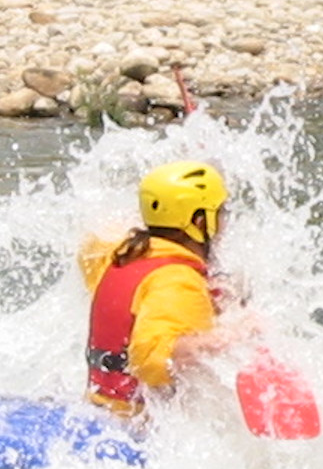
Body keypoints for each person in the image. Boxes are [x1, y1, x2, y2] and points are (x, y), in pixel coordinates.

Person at [82, 160, 230, 418]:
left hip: (99, 406)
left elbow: (91, 248)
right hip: (137, 429)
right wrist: (233, 337)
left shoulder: (123, 253)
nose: (225, 222)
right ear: (200, 222)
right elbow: (151, 358)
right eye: (220, 212)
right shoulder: (177, 279)